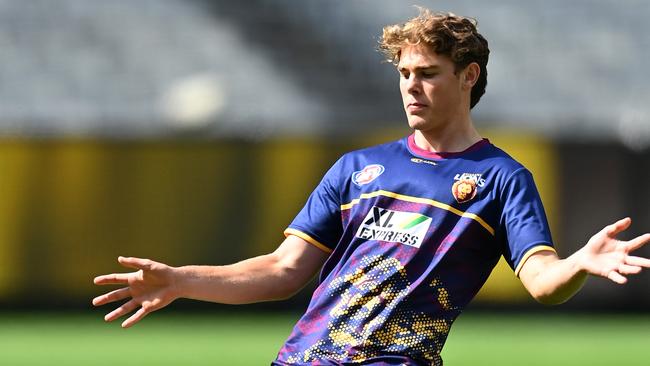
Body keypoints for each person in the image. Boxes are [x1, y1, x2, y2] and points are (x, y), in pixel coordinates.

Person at [93, 8, 650, 366]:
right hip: (302, 359)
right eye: (405, 74)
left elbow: (542, 281)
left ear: (469, 76)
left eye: (428, 73)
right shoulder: (357, 168)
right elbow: (282, 272)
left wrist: (580, 262)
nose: (412, 87)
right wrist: (182, 280)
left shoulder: (502, 179)